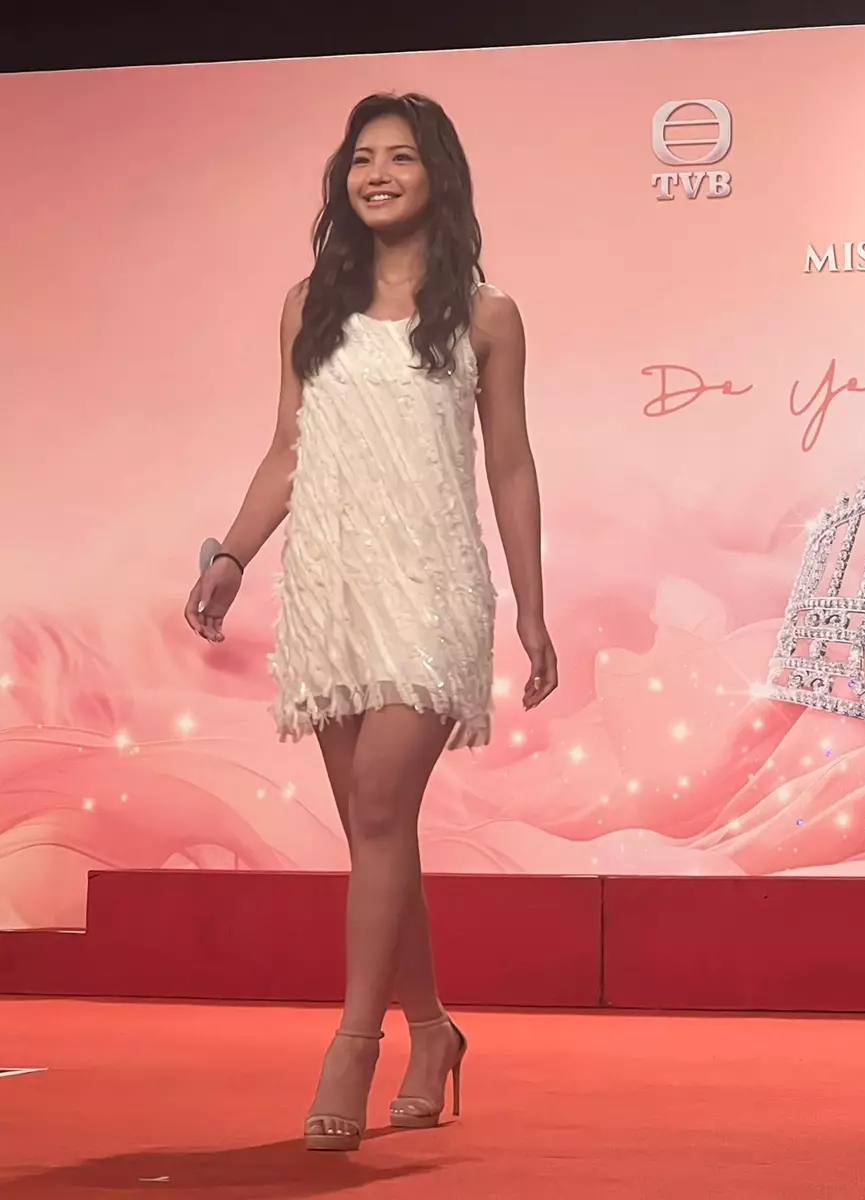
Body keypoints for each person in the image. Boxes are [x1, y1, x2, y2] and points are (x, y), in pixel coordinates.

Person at [184, 92, 557, 1152]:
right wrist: (231, 557)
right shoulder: (310, 304)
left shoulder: (487, 317)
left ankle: (354, 1044)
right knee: (375, 833)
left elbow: (512, 465)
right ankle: (433, 1033)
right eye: (361, 159)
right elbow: (288, 448)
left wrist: (531, 608)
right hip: (335, 589)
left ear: (439, 175)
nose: (377, 174)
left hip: (433, 587)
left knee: (382, 810)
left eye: (399, 157)